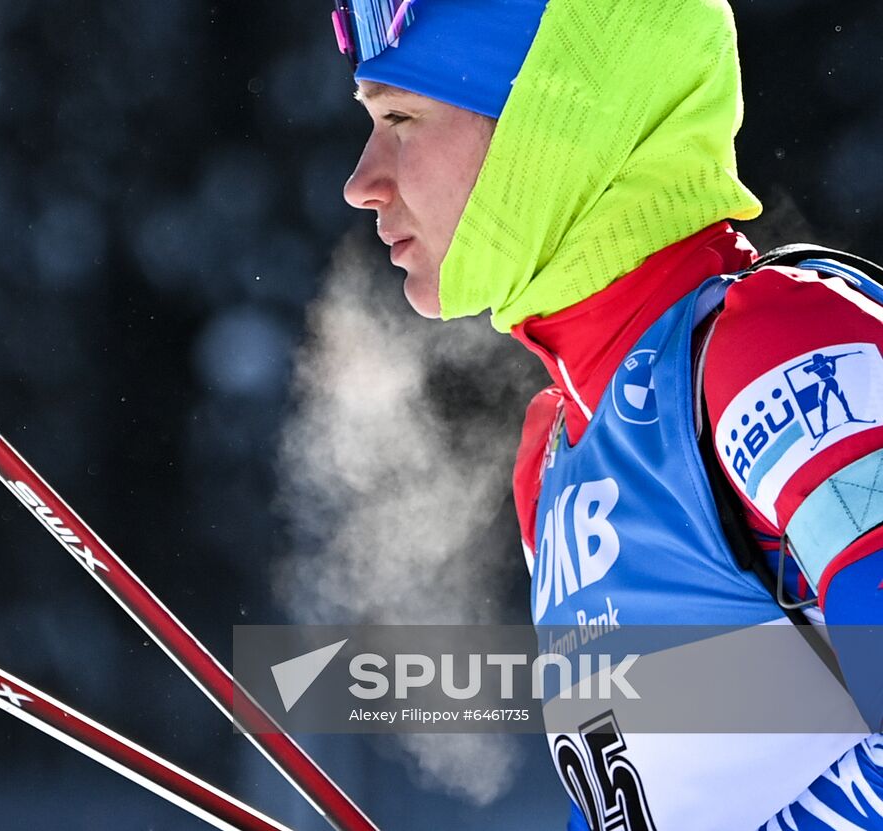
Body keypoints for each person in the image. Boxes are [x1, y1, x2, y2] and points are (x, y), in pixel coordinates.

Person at [329, 0, 883, 828]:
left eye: (403, 116)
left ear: (555, 120)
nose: (362, 182)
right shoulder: (553, 462)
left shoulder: (774, 348)